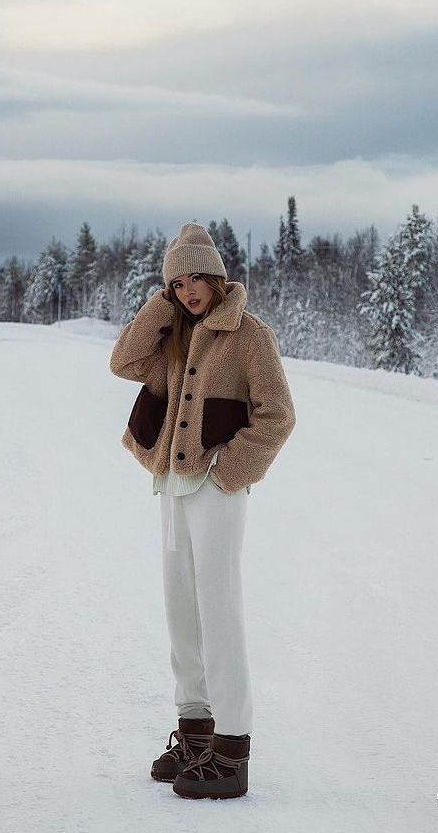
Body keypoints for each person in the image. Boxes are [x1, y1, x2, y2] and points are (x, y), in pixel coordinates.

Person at [109, 222, 296, 799]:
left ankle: (232, 749)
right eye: (178, 282)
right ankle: (195, 734)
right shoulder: (171, 333)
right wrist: (158, 308)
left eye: (197, 278)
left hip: (215, 489)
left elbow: (278, 416)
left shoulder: (249, 336)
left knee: (218, 613)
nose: (189, 291)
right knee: (180, 613)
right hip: (172, 486)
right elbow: (123, 361)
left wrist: (226, 471)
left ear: (217, 276)